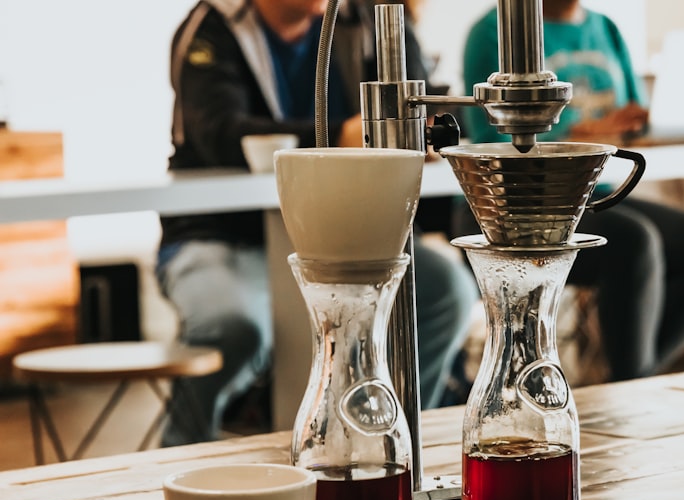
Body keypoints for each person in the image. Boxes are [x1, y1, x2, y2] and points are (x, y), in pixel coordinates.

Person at [159, 0, 478, 446]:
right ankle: (178, 459)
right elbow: (218, 131)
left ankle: (381, 438)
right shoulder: (212, 27)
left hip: (343, 230)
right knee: (232, 327)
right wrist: (340, 135)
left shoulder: (368, 19)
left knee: (444, 292)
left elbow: (422, 110)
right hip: (221, 236)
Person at [459, 0, 684, 381]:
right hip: (519, 203)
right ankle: (634, 384)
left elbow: (631, 115)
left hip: (599, 196)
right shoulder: (493, 31)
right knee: (634, 242)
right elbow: (488, 141)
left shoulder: (606, 28)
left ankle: (632, 380)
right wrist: (583, 135)